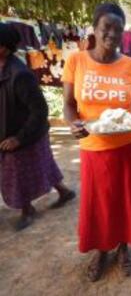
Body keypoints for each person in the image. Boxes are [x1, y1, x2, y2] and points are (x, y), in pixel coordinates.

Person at [62, 3, 131, 282]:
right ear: (95, 28)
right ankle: (102, 250)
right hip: (93, 146)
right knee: (100, 203)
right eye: (107, 27)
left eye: (118, 29)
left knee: (125, 201)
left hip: (127, 145)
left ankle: (124, 248)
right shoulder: (76, 61)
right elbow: (68, 105)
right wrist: (71, 122)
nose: (112, 34)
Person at [0, 23, 75, 231]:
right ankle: (64, 192)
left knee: (18, 173)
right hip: (10, 131)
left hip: (26, 133)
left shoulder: (19, 75)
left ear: (3, 48)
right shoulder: (2, 68)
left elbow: (40, 111)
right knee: (44, 164)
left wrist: (19, 138)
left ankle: (27, 210)